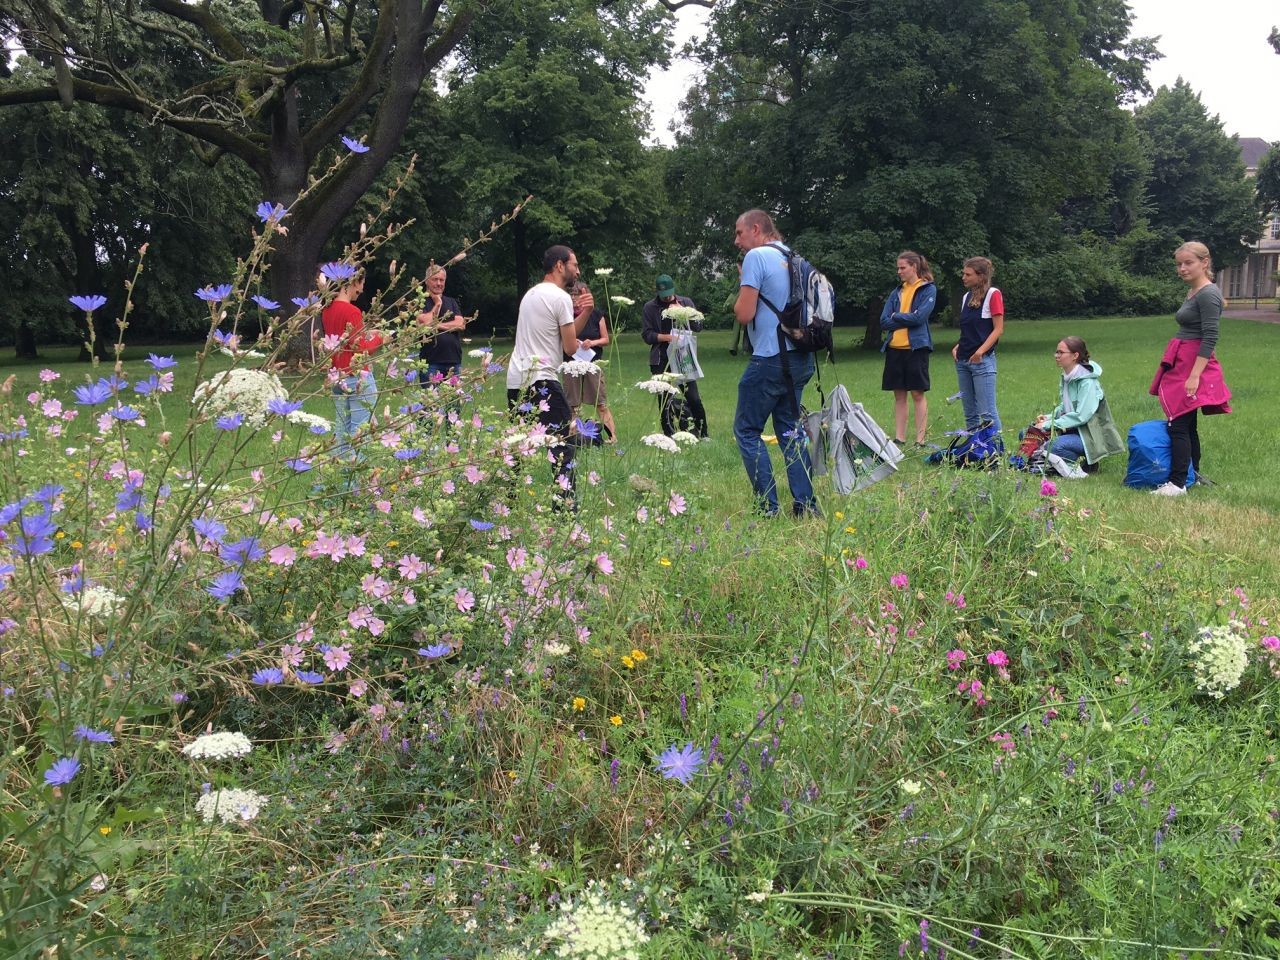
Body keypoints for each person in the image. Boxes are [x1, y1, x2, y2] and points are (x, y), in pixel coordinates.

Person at [732, 208, 818, 517]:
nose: (736, 240)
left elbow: (744, 314)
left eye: (740, 233)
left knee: (746, 430)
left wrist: (743, 285)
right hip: (800, 356)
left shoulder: (757, 258)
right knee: (790, 431)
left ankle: (767, 506)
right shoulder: (793, 256)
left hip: (770, 357)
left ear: (756, 229)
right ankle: (806, 506)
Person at [506, 245, 594, 501]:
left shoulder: (531, 294)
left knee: (519, 448)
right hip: (542, 380)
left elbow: (560, 337)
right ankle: (565, 512)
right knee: (563, 447)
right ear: (559, 265)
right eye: (574, 265)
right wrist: (586, 311)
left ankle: (508, 506)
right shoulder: (560, 297)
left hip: (516, 379)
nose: (577, 271)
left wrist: (586, 312)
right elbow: (569, 347)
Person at [1147, 241, 1233, 496]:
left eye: (1188, 263)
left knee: (1178, 424)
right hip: (1182, 359)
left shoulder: (1208, 293)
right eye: (1179, 264)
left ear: (1204, 263)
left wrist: (1195, 375)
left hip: (1192, 364)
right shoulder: (1194, 292)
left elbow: (1210, 337)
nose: (1182, 268)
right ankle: (1191, 476)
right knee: (1186, 423)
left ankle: (1176, 484)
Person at [1035, 336, 1124, 479]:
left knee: (1052, 446)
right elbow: (1065, 406)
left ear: (1075, 355)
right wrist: (1048, 417)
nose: (1056, 356)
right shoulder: (1067, 376)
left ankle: (1084, 464)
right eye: (1056, 352)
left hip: (1090, 436)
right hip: (1072, 431)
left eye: (1060, 352)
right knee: (1028, 434)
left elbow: (1081, 416)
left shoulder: (1087, 382)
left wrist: (1048, 425)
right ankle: (1056, 461)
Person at [321, 270, 382, 462]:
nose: (361, 290)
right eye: (361, 284)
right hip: (358, 378)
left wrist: (366, 332)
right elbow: (361, 349)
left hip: (338, 377)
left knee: (342, 432)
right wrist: (381, 338)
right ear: (354, 281)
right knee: (360, 432)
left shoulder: (327, 310)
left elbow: (343, 339)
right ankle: (357, 483)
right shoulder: (352, 311)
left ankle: (338, 481)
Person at [641, 274, 709, 438]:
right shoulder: (650, 307)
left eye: (669, 294)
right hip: (661, 358)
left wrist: (683, 313)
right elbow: (647, 335)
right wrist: (666, 337)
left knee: (693, 397)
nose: (667, 298)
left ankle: (702, 432)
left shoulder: (685, 303)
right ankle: (668, 434)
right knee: (665, 398)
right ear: (657, 292)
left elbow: (698, 326)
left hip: (683, 355)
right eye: (663, 295)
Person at [879, 251, 936, 446]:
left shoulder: (927, 289)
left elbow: (920, 318)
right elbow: (883, 321)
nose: (899, 271)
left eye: (902, 267)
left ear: (914, 267)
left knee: (917, 393)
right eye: (898, 268)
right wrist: (902, 317)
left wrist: (896, 316)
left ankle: (920, 439)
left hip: (916, 348)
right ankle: (900, 438)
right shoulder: (897, 292)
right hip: (895, 348)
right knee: (899, 394)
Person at [952, 256, 1004, 434]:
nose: (963, 277)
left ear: (981, 276)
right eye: (963, 273)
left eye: (968, 274)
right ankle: (974, 451)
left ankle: (997, 451)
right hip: (963, 360)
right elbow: (970, 329)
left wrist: (980, 352)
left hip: (982, 361)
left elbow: (997, 329)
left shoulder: (993, 294)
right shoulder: (966, 297)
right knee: (970, 413)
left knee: (987, 412)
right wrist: (958, 346)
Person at [561, 280, 618, 442]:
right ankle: (573, 436)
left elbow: (606, 339)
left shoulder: (596, 315)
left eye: (577, 295)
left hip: (592, 363)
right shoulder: (565, 315)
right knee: (572, 403)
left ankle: (612, 437)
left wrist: (591, 343)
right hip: (571, 364)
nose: (574, 299)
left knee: (600, 402)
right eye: (571, 295)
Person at [415, 265, 465, 383]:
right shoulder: (419, 303)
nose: (438, 283)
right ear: (427, 281)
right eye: (435, 279)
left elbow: (460, 324)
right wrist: (437, 304)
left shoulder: (451, 302)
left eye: (441, 280)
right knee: (431, 400)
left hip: (454, 361)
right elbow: (426, 323)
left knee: (454, 400)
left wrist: (437, 326)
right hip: (431, 363)